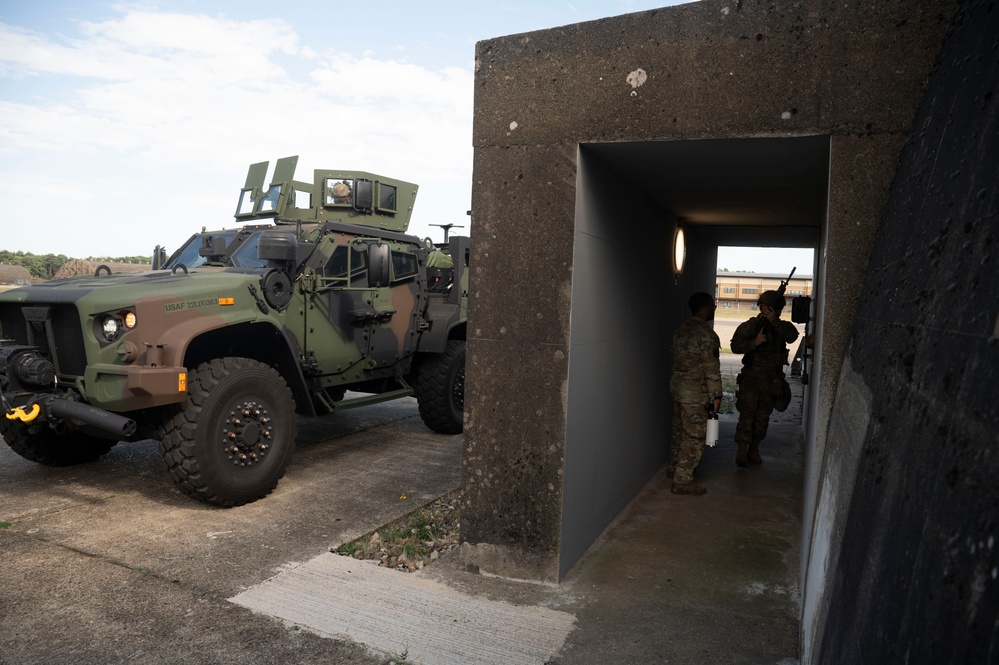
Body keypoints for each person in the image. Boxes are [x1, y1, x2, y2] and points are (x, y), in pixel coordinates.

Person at [729, 290, 799, 467]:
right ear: (763, 308)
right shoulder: (751, 326)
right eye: (774, 309)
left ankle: (754, 449)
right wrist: (755, 343)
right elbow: (735, 346)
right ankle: (742, 451)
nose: (778, 312)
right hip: (751, 379)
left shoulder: (781, 327)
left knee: (762, 418)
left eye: (778, 310)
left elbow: (792, 336)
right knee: (747, 415)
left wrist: (775, 322)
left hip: (772, 381)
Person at [669, 292, 723, 496]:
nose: (714, 308)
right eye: (712, 305)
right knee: (694, 435)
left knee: (679, 431)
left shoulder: (680, 330)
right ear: (704, 308)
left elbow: (672, 358)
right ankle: (682, 480)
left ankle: (674, 467)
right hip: (694, 393)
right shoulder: (706, 335)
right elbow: (711, 367)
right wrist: (717, 394)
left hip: (678, 389)